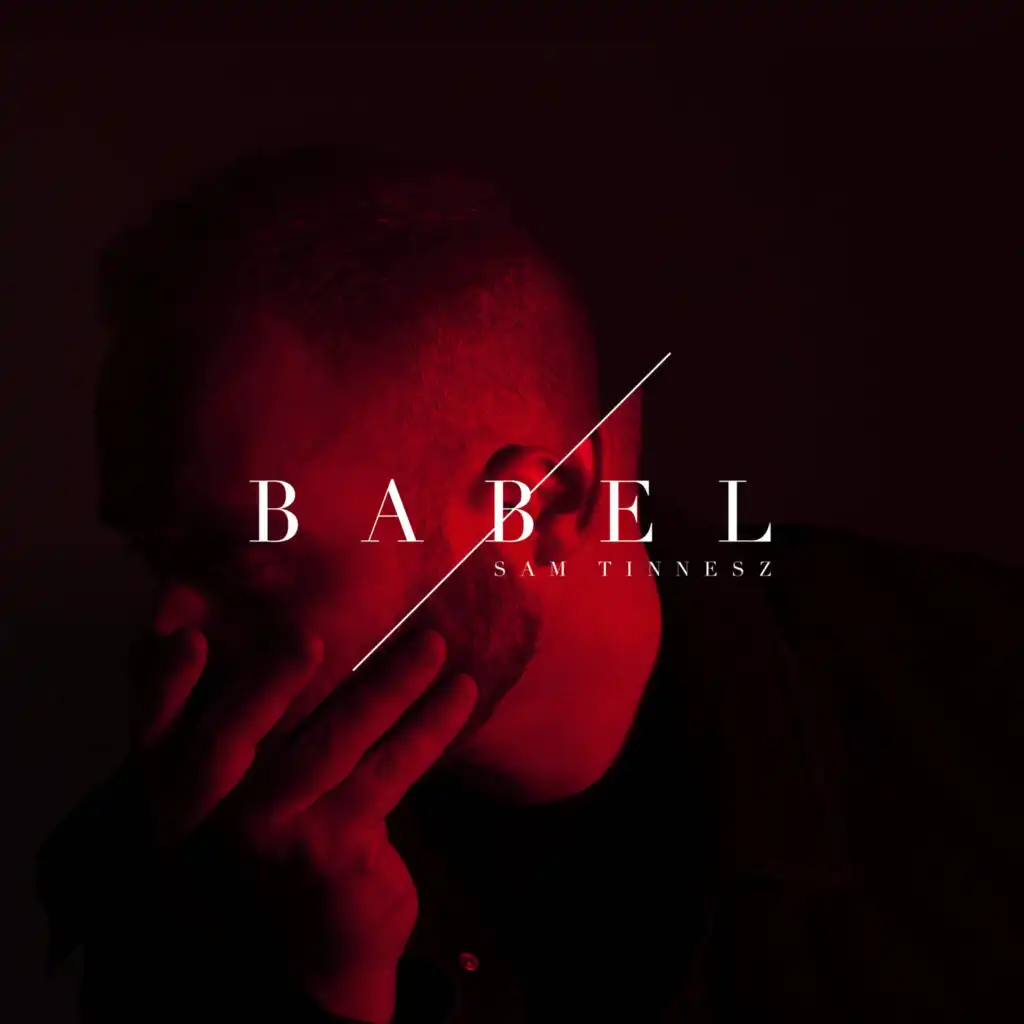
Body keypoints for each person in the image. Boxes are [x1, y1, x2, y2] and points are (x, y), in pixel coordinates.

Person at [38, 146, 1024, 1023]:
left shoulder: (973, 715)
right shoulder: (180, 854)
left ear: (538, 512)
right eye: (150, 555)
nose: (164, 624)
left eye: (242, 555)